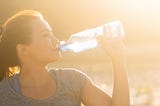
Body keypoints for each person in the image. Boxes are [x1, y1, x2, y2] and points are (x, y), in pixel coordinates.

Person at [0, 10, 130, 106]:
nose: (56, 40)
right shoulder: (4, 94)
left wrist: (118, 58)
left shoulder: (73, 81)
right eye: (46, 35)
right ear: (24, 50)